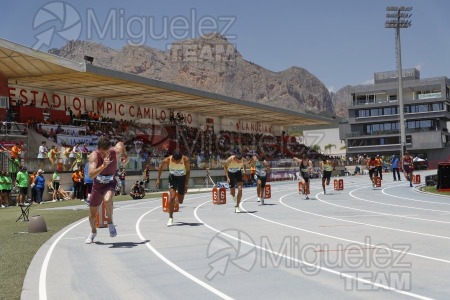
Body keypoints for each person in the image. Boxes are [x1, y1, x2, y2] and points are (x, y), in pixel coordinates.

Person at [85, 137, 129, 244]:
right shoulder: (94, 156)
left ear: (110, 148)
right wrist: (103, 166)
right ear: (98, 149)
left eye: (107, 152)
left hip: (110, 183)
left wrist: (125, 156)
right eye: (103, 153)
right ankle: (93, 232)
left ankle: (110, 222)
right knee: (92, 215)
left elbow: (121, 143)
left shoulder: (115, 151)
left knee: (107, 199)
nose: (106, 155)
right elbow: (90, 175)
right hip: (97, 186)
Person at [155, 149, 191, 226]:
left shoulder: (185, 159)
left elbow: (188, 171)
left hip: (182, 179)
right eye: (176, 161)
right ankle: (170, 218)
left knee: (180, 201)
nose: (177, 162)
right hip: (172, 179)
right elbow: (160, 167)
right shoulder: (168, 160)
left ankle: (177, 199)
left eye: (179, 161)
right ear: (173, 158)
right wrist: (158, 179)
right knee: (172, 197)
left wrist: (186, 184)